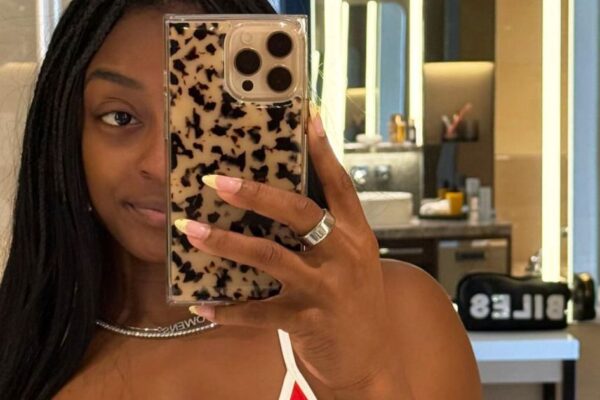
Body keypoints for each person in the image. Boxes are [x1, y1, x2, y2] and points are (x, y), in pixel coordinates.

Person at [0, 1, 482, 399]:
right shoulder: (21, 345)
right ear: (67, 136)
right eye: (120, 118)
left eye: (207, 118)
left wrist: (364, 381)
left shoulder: (398, 313)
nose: (161, 164)